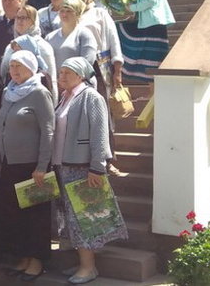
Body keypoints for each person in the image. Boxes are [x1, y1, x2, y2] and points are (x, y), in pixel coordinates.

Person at [52, 57, 128, 284]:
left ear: (81, 74)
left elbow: (99, 134)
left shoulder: (91, 97)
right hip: (63, 166)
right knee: (70, 219)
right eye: (61, 72)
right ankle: (82, 262)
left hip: (83, 168)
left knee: (83, 220)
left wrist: (98, 167)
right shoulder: (65, 97)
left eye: (67, 72)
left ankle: (89, 267)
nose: (62, 76)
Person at [0, 50, 54, 282]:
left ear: (31, 67)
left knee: (35, 215)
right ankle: (24, 257)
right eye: (11, 66)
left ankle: (37, 261)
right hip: (9, 164)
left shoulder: (39, 93)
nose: (14, 71)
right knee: (14, 214)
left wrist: (42, 165)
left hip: (32, 166)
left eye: (19, 66)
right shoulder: (8, 93)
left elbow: (48, 130)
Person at [118, 0, 175, 86]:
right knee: (153, 61)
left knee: (119, 29)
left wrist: (132, 8)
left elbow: (150, 0)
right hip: (154, 21)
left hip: (152, 22)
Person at [0, 5, 58, 104]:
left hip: (34, 100)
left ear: (34, 21)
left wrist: (53, 105)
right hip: (11, 96)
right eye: (18, 17)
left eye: (24, 18)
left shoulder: (42, 47)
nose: (19, 21)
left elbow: (50, 79)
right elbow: (3, 74)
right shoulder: (11, 46)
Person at [45, 0, 97, 69]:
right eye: (62, 11)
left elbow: (87, 62)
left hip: (78, 79)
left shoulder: (85, 35)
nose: (64, 14)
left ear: (77, 13)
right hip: (55, 80)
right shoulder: (50, 37)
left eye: (69, 11)